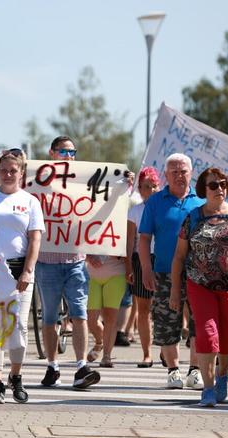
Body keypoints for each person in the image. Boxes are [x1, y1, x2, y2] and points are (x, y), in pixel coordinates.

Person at [170, 168, 228, 407]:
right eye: (213, 185)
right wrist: (174, 291)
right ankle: (208, 389)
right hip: (200, 286)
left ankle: (223, 373)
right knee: (208, 336)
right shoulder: (193, 218)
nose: (219, 188)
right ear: (203, 189)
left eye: (222, 184)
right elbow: (179, 257)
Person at [34, 136, 100, 389]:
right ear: (52, 153)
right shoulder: (37, 183)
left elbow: (101, 209)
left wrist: (122, 184)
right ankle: (52, 366)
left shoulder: (82, 182)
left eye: (72, 152)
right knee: (49, 316)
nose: (68, 156)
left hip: (75, 260)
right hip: (47, 260)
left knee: (79, 314)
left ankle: (81, 366)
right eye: (63, 151)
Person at [138, 153, 204, 390]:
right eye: (174, 171)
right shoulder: (155, 202)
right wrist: (146, 267)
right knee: (167, 321)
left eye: (183, 171)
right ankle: (173, 371)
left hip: (198, 274)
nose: (179, 175)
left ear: (191, 173)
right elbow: (144, 239)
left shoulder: (201, 202)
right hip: (164, 273)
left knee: (198, 321)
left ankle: (195, 370)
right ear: (165, 175)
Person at [0, 151, 44, 404]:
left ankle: (16, 376)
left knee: (18, 327)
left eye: (13, 170)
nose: (8, 174)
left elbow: (35, 238)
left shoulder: (30, 201)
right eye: (4, 170)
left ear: (22, 174)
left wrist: (28, 270)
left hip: (19, 269)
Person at [125, 166, 160, 367]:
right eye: (147, 186)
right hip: (141, 260)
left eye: (155, 186)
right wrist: (128, 264)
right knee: (144, 308)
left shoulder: (166, 208)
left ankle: (167, 349)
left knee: (165, 307)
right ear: (140, 189)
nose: (152, 190)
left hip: (164, 260)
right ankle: (147, 353)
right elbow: (130, 241)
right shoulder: (135, 211)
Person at [85, 255, 127, 367]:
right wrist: (88, 256)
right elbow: (81, 246)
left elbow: (128, 248)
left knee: (110, 319)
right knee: (91, 320)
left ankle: (106, 356)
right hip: (93, 276)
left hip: (116, 274)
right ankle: (100, 342)